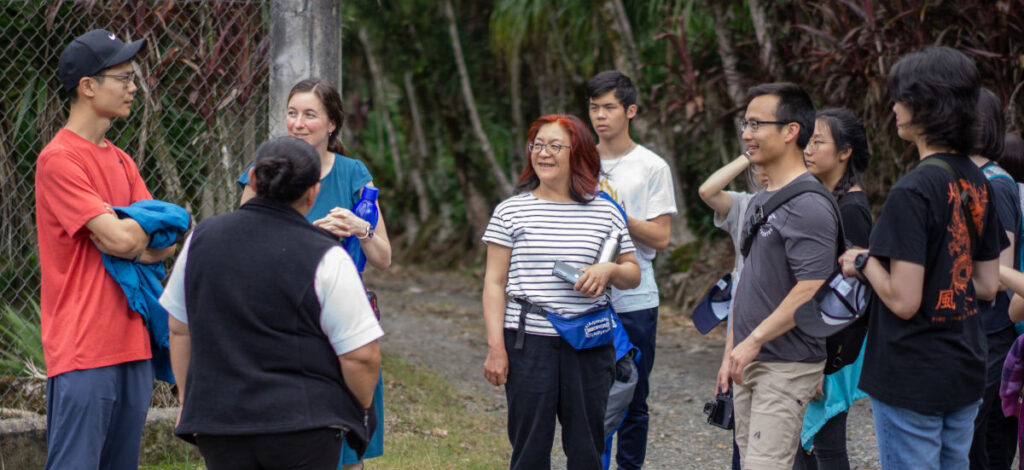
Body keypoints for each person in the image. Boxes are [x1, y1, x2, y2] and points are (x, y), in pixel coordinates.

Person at [161, 136, 383, 469]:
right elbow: (361, 355)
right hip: (303, 426)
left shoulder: (201, 239)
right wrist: (361, 409)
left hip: (220, 421)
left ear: (252, 180)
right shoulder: (327, 256)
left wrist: (186, 396)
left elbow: (179, 329)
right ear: (313, 193)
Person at [838, 47, 1004, 470]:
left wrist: (862, 262)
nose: (893, 107)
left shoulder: (912, 191)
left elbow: (904, 300)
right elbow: (987, 285)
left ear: (926, 106)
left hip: (912, 371)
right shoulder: (977, 179)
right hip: (964, 364)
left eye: (900, 98)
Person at [35, 28, 179, 470]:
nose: (134, 87)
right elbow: (123, 238)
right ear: (88, 86)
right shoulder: (59, 160)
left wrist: (128, 236)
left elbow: (166, 240)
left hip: (133, 345)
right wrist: (131, 235)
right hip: (83, 349)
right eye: (125, 77)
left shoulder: (122, 159)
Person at [238, 78, 391, 469]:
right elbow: (242, 244)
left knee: (346, 437)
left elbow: (384, 258)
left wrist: (361, 228)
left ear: (332, 124)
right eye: (292, 114)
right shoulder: (264, 170)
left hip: (341, 315)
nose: (299, 123)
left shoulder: (354, 174)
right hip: (280, 313)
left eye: (310, 115)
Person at [481, 114, 642, 469]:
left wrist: (610, 269)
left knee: (587, 448)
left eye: (555, 146)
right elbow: (494, 283)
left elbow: (633, 274)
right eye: (537, 145)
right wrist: (496, 348)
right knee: (529, 449)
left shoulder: (605, 212)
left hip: (589, 342)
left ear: (578, 152)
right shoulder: (511, 211)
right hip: (528, 342)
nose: (544, 153)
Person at [726, 82, 839, 470]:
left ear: (791, 131)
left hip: (786, 363)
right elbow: (748, 280)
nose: (746, 134)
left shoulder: (809, 204)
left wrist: (754, 340)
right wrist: (732, 349)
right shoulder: (760, 199)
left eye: (756, 124)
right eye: (746, 123)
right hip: (751, 358)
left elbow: (812, 287)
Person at [586, 70, 677, 469]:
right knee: (590, 398)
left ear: (631, 111)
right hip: (584, 297)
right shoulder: (579, 160)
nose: (600, 116)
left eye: (609, 107)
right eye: (593, 107)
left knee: (634, 397)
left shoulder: (651, 167)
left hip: (635, 300)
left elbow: (660, 237)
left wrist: (617, 214)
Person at [793, 107, 873, 470]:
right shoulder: (827, 198)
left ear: (845, 152)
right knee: (806, 441)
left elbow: (852, 299)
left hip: (835, 346)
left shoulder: (851, 208)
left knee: (825, 441)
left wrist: (824, 362)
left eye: (818, 142)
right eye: (806, 141)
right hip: (821, 340)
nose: (807, 149)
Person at [698, 152, 767, 470]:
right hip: (741, 314)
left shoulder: (805, 203)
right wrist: (749, 155)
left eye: (769, 164)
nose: (762, 172)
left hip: (778, 318)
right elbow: (707, 191)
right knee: (739, 399)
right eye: (757, 168)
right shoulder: (745, 204)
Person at [968, 88, 1020, 470]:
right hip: (971, 327)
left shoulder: (996, 184)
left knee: (981, 442)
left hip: (991, 331)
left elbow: (999, 274)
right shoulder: (965, 176)